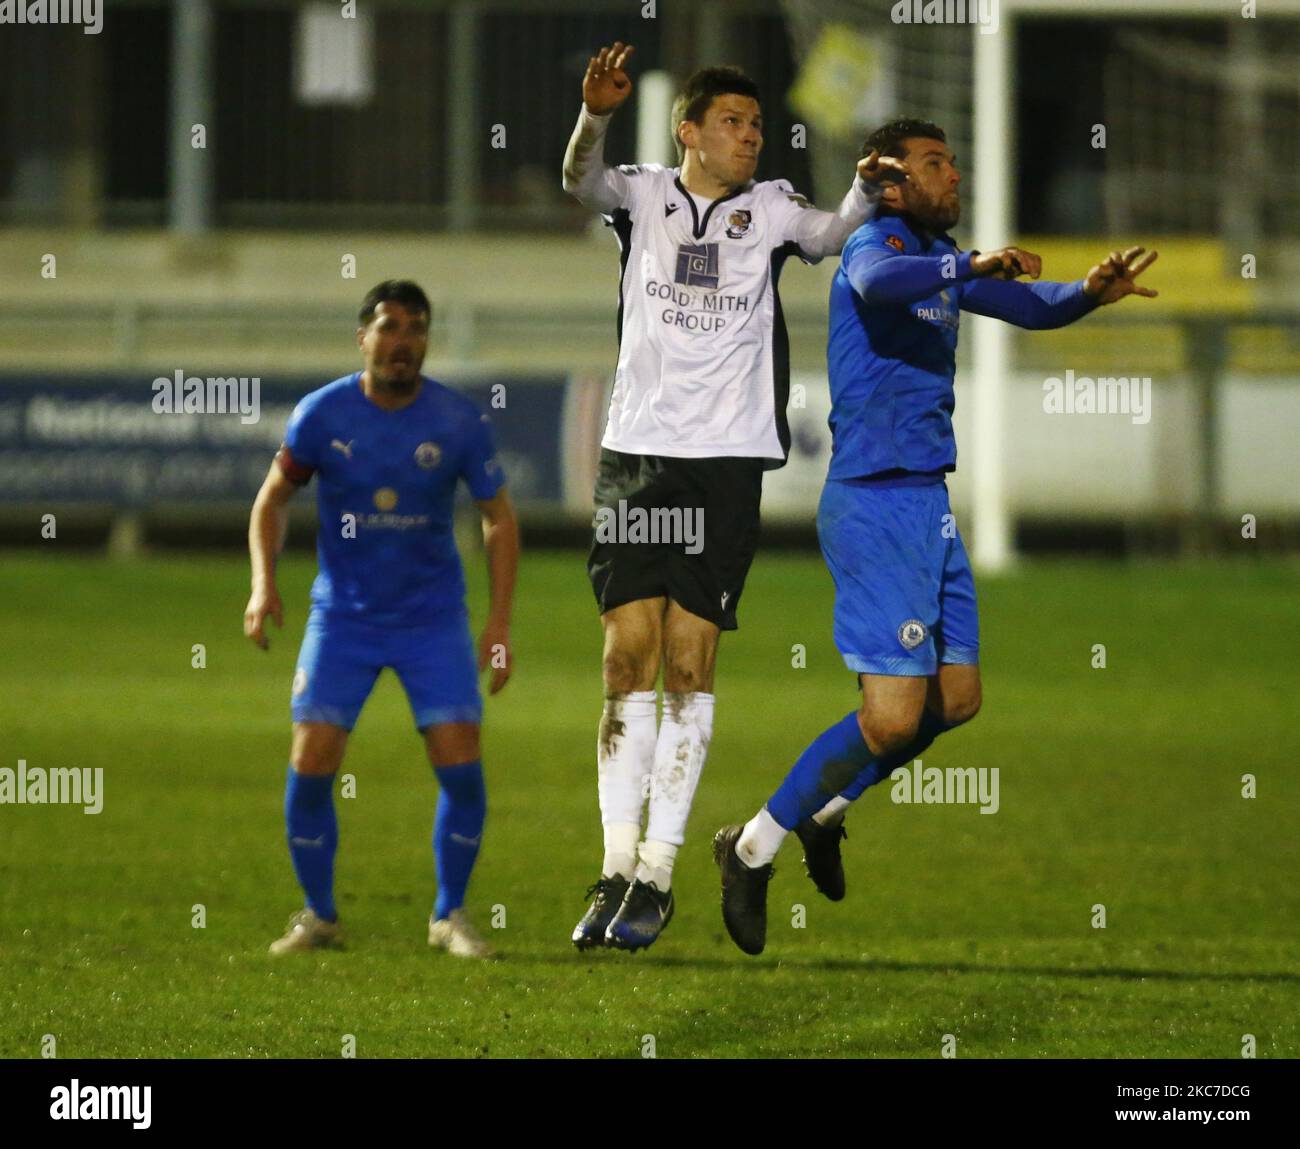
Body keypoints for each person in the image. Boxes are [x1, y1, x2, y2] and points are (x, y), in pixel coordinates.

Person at [713, 118, 1158, 955]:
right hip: (875, 504)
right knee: (888, 721)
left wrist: (1089, 294)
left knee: (956, 700)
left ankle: (828, 812)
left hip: (928, 506)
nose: (953, 177)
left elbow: (1031, 305)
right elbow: (879, 281)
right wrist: (970, 262)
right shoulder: (875, 245)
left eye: (953, 164)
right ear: (892, 181)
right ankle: (750, 847)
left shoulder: (939, 263)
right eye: (934, 165)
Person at [561, 43, 904, 951]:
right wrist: (594, 112)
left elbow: (832, 238)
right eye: (733, 124)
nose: (750, 137)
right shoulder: (641, 195)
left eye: (756, 125)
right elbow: (578, 181)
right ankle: (614, 868)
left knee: (688, 661)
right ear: (690, 131)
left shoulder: (775, 208)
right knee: (622, 661)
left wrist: (866, 188)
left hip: (724, 463)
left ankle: (661, 873)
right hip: (636, 455)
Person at [244, 279, 519, 959]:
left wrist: (498, 623)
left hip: (431, 619)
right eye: (390, 328)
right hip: (344, 617)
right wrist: (262, 585)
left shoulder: (456, 421)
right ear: (362, 336)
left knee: (461, 768)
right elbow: (271, 500)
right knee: (311, 761)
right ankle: (320, 915)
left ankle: (449, 914)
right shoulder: (321, 414)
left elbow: (499, 518)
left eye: (417, 329)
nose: (403, 343)